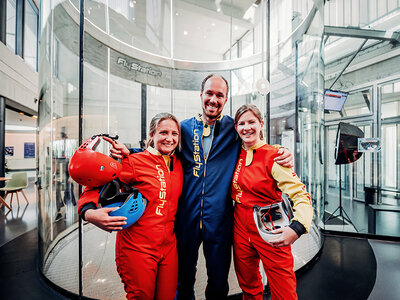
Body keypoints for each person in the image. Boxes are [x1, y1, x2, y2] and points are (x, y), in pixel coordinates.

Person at [175, 74, 294, 299]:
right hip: (187, 218)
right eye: (209, 93)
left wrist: (281, 151)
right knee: (183, 279)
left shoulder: (233, 127)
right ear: (201, 95)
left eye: (219, 95)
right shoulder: (184, 129)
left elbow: (256, 143)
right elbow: (161, 154)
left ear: (226, 99)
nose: (213, 99)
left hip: (220, 220)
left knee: (219, 281)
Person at [77, 113, 183, 300]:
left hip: (169, 248)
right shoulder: (134, 162)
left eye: (175, 134)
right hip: (137, 247)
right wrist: (89, 213)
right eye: (163, 132)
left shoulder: (179, 164)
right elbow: (94, 186)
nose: (170, 138)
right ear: (152, 135)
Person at [231, 104, 313, 300]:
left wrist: (298, 227)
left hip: (270, 223)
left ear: (261, 124)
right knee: (248, 285)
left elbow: (300, 195)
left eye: (251, 122)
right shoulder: (234, 153)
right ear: (236, 128)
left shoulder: (274, 155)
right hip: (240, 224)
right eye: (241, 123)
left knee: (283, 288)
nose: (246, 127)